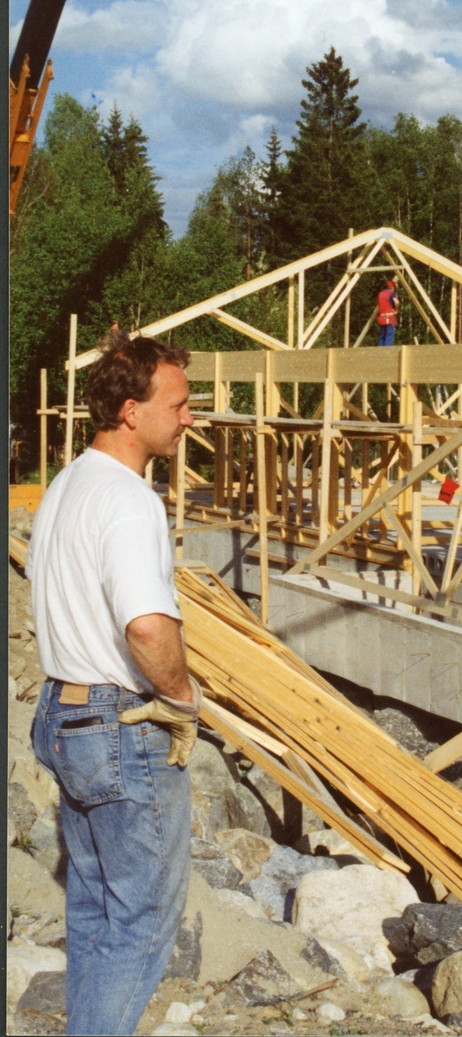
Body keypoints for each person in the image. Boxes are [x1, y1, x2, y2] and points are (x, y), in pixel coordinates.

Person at [27, 334, 199, 1036]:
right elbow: (149, 629)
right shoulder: (129, 502)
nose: (188, 419)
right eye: (178, 404)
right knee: (141, 925)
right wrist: (184, 700)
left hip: (63, 713)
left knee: (96, 911)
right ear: (131, 411)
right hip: (119, 722)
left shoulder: (70, 483)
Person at [377, 278, 399, 346]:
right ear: (392, 287)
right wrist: (396, 309)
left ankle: (380, 353)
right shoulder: (391, 294)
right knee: (389, 336)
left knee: (382, 336)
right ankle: (388, 353)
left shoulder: (380, 294)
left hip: (382, 318)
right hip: (389, 318)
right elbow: (396, 302)